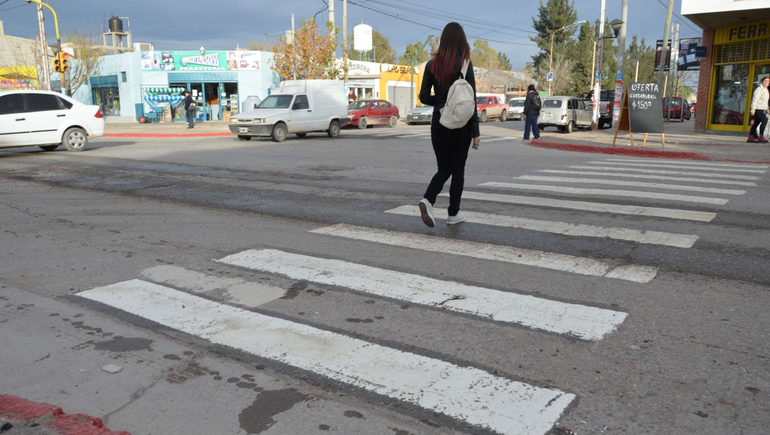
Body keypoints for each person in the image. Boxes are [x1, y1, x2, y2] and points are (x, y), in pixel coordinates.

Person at [417, 22, 481, 228]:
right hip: (461, 124)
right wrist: (476, 132)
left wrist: (441, 103)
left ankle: (428, 199)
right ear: (461, 40)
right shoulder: (465, 63)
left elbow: (423, 97)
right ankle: (453, 213)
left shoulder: (431, 65)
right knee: (458, 170)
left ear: (443, 40)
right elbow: (471, 100)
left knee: (444, 168)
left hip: (439, 121)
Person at [748, 76, 769, 143]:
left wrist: (767, 109)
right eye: (765, 81)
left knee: (756, 123)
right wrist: (753, 109)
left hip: (763, 108)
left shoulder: (766, 90)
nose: (767, 82)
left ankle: (751, 136)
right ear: (762, 81)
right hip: (758, 108)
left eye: (768, 81)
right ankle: (761, 136)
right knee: (764, 120)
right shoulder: (759, 90)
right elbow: (755, 100)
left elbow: (765, 101)